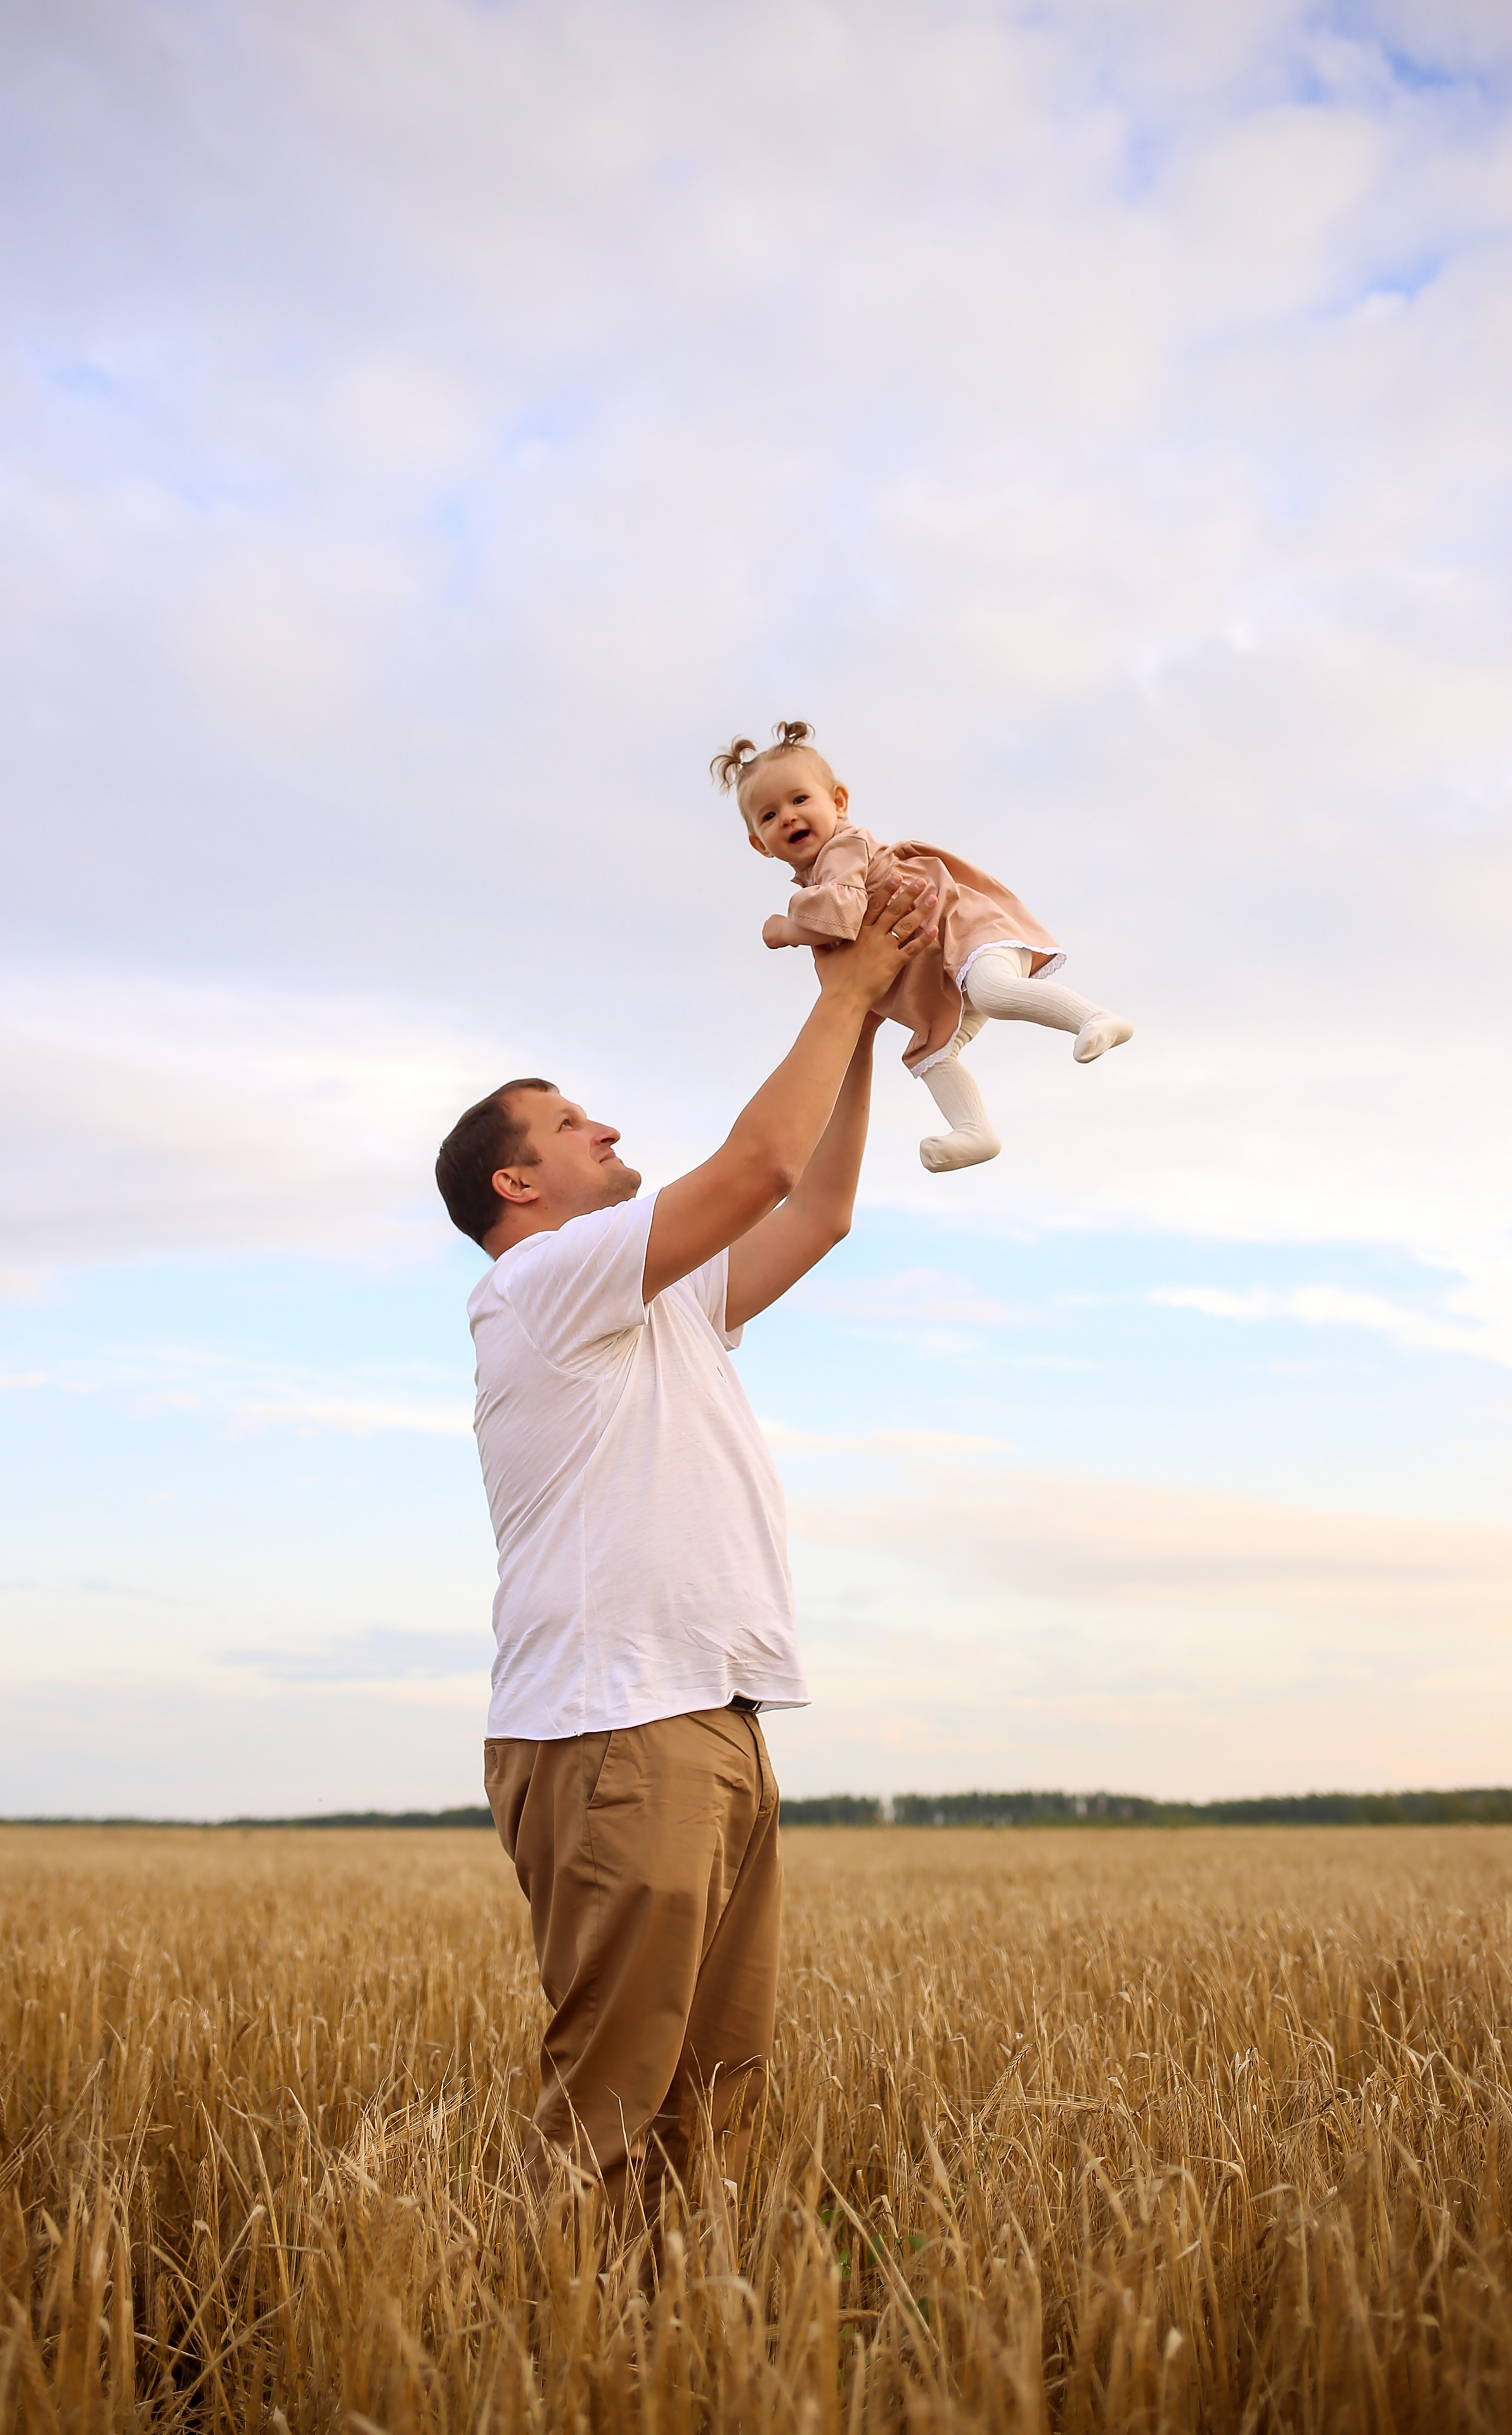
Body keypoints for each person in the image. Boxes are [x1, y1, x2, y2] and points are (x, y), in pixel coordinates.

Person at [434, 867, 940, 2225]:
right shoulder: (541, 1282)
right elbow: (758, 1168)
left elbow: (815, 1209)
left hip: (706, 1715)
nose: (603, 1126)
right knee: (608, 2108)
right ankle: (542, 2330)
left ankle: (665, 2331)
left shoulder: (654, 1299)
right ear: (515, 1182)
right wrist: (841, 987)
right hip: (615, 1726)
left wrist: (867, 1017)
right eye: (567, 1123)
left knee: (709, 2103)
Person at [716, 720, 1133, 1172]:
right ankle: (975, 1130)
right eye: (769, 816)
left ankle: (1094, 1018)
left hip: (965, 936)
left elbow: (840, 917)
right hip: (945, 975)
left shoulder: (843, 849)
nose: (788, 817)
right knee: (934, 1057)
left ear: (838, 802)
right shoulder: (822, 876)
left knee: (993, 992)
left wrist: (785, 930)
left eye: (800, 800)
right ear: (760, 844)